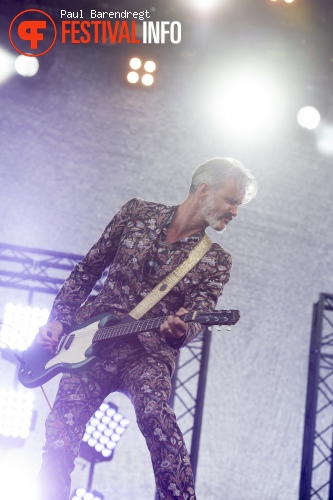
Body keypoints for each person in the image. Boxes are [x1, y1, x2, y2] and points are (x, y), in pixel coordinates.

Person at [36, 157, 257, 500]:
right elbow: (87, 270)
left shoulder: (216, 261)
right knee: (59, 432)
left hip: (147, 354)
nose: (235, 212)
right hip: (90, 342)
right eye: (231, 201)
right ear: (203, 190)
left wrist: (180, 330)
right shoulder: (136, 212)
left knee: (157, 418)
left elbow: (199, 313)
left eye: (238, 205)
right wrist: (59, 319)